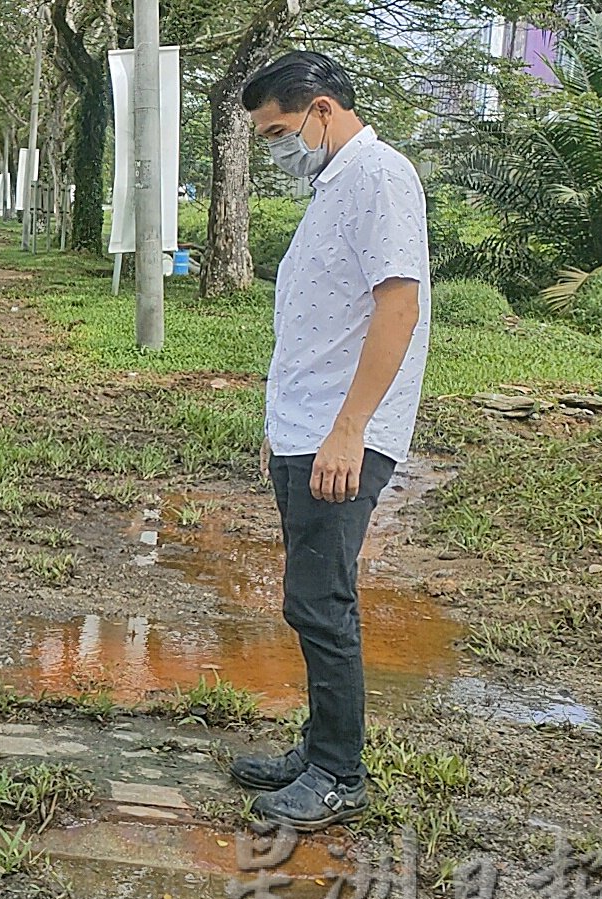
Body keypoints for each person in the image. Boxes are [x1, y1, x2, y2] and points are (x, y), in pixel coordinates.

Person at [229, 51, 432, 830]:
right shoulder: (332, 187)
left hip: (342, 433)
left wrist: (348, 430)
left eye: (280, 130)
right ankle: (318, 749)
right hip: (306, 426)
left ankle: (341, 772)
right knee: (309, 596)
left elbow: (398, 309)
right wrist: (281, 429)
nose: (278, 147)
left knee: (321, 599)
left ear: (320, 110)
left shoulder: (380, 176)